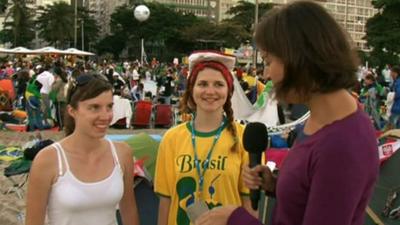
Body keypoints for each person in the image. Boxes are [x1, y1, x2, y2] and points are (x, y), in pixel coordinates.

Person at [195, 1, 379, 225]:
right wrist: (275, 184)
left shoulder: (343, 145)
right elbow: (314, 192)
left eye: (269, 61)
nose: (266, 73)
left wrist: (235, 219)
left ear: (298, 58)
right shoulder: (323, 121)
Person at [154, 51, 256, 225]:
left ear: (229, 90)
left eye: (218, 84)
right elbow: (166, 202)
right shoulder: (172, 138)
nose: (210, 91)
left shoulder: (245, 137)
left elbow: (250, 205)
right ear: (191, 90)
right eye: (202, 84)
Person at [25, 73, 139, 225]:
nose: (105, 116)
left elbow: (129, 211)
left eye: (109, 106)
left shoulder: (122, 153)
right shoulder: (48, 160)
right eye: (94, 107)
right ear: (72, 111)